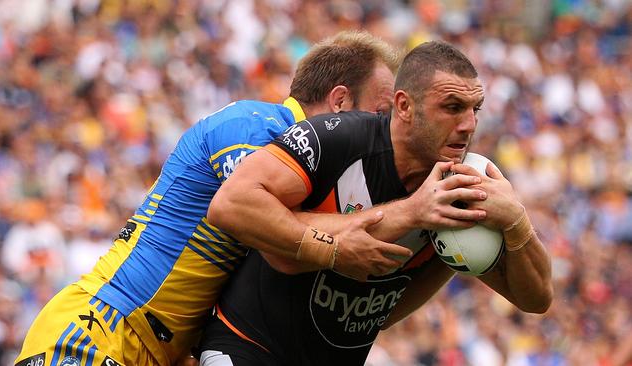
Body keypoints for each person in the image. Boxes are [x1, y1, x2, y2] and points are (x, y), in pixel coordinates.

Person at [14, 31, 420, 366]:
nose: (385, 133)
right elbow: (257, 212)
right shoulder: (255, 124)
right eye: (380, 115)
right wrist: (410, 212)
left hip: (156, 350)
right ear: (340, 101)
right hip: (100, 328)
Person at [196, 40, 554, 366]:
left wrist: (516, 221)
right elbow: (232, 204)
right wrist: (397, 220)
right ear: (404, 106)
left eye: (476, 108)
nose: (469, 124)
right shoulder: (338, 137)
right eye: (453, 107)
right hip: (247, 349)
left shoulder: (461, 184)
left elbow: (536, 298)